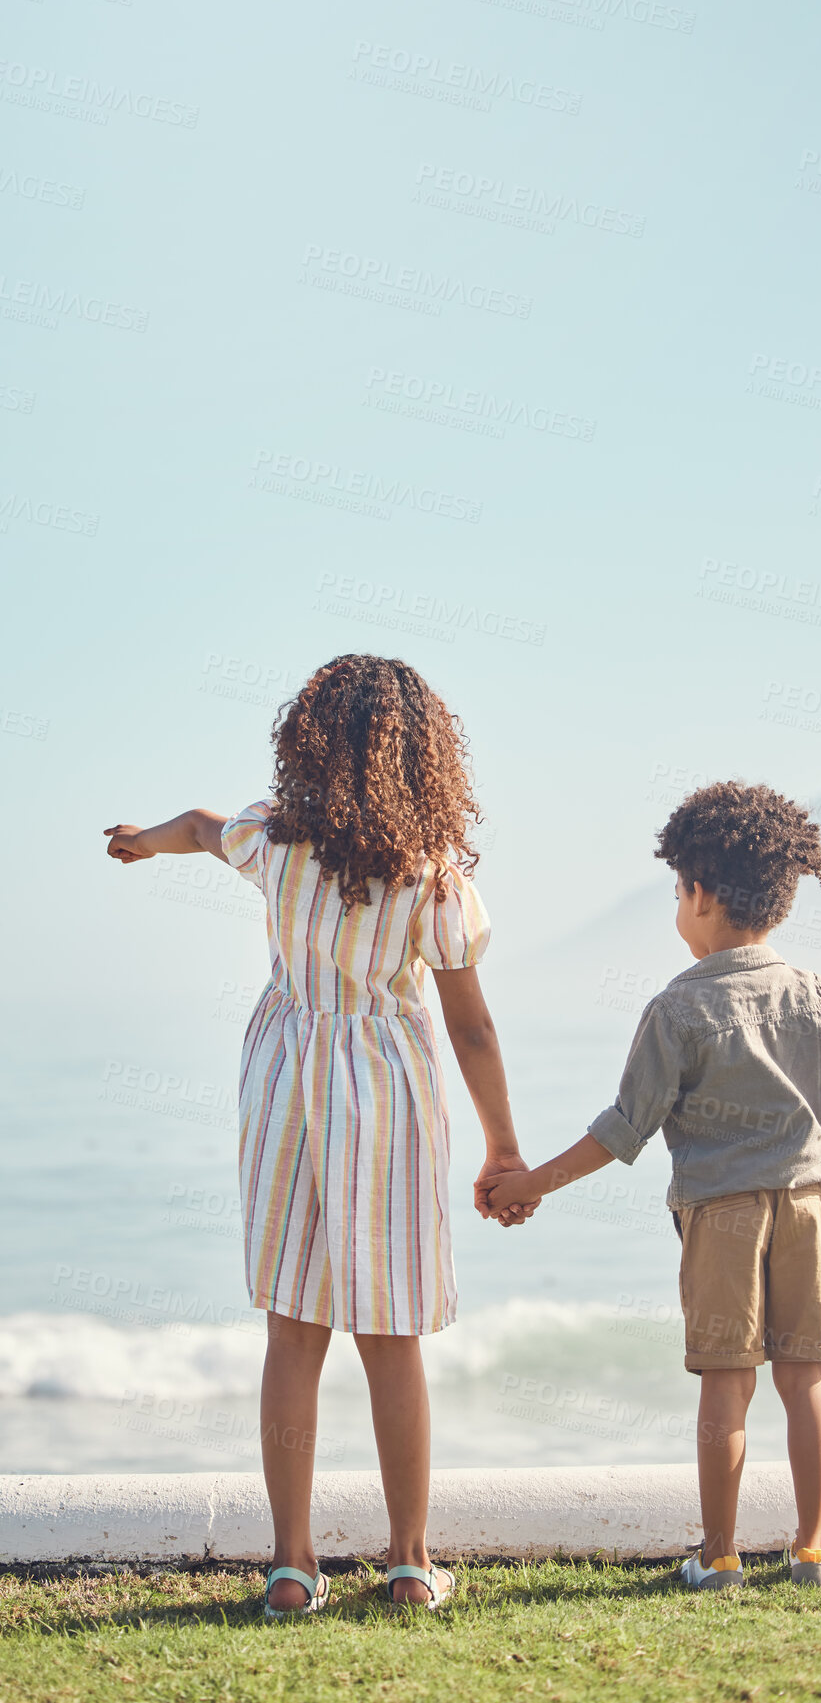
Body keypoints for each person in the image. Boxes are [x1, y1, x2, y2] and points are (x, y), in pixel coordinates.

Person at [106, 653, 537, 1618]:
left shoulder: (274, 841)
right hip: (382, 1084)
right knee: (390, 1334)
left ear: (305, 743)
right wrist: (503, 1145)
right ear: (424, 760)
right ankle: (411, 1562)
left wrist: (144, 842)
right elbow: (471, 1026)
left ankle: (292, 1568)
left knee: (293, 1333)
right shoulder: (431, 881)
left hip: (287, 1076)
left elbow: (200, 823)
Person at [484, 780, 821, 1591]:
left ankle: (718, 1558)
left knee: (726, 1381)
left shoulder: (676, 1008)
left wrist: (530, 1181)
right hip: (811, 1208)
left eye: (677, 891)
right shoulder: (816, 993)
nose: (677, 907)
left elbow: (623, 1128)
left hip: (720, 1217)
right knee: (805, 1377)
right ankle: (813, 1550)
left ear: (700, 893)